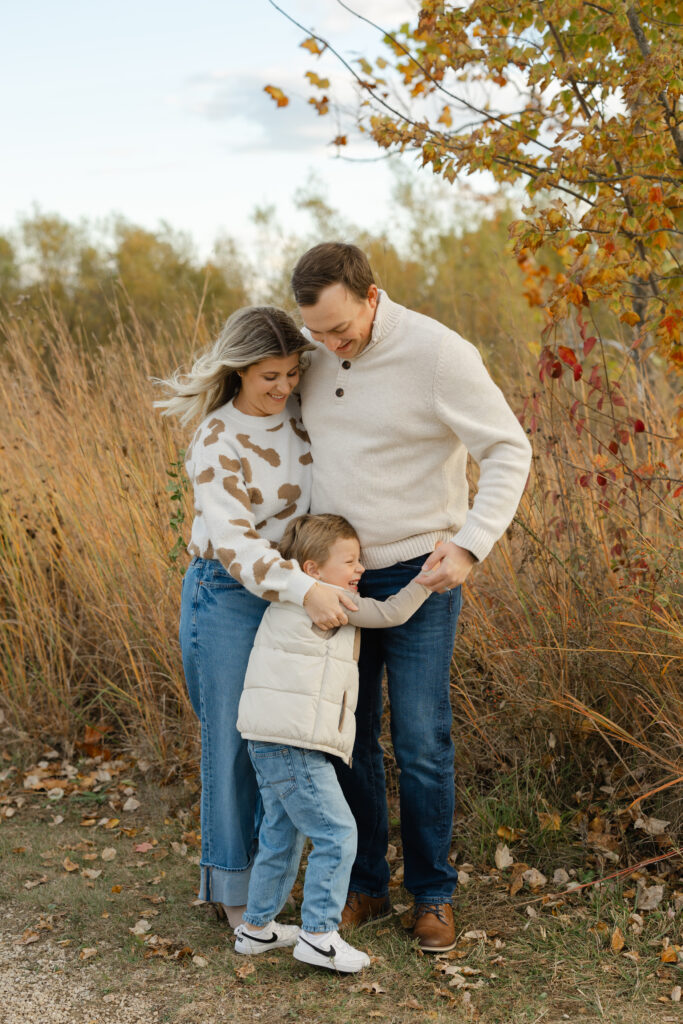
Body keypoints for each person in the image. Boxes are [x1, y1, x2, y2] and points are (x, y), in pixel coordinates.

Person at [291, 243, 533, 952]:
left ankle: (432, 893)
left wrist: (470, 542)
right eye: (316, 334)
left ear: (372, 297)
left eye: (340, 330)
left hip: (420, 573)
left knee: (421, 739)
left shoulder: (437, 354)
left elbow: (508, 449)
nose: (330, 346)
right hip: (338, 581)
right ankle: (363, 884)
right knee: (348, 736)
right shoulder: (314, 349)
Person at [155, 306, 355, 928]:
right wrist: (307, 590)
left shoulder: (300, 414)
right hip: (230, 594)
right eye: (270, 375)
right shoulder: (216, 439)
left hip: (297, 590)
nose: (284, 387)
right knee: (233, 742)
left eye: (294, 372)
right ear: (240, 369)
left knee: (289, 735)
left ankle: (278, 885)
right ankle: (234, 895)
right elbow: (238, 545)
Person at [232, 513, 431, 972]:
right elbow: (393, 612)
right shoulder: (331, 602)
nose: (359, 568)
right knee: (337, 834)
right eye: (350, 560)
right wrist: (426, 581)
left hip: (268, 737)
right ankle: (319, 935)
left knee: (282, 832)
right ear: (312, 571)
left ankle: (257, 929)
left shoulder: (285, 601)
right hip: (293, 743)